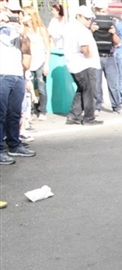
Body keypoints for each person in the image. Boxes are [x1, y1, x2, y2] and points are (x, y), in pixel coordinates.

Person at [0, 3, 36, 164]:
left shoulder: (16, 29)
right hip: (2, 74)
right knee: (0, 114)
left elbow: (27, 51)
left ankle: (14, 144)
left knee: (14, 113)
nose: (12, 14)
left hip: (17, 73)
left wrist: (23, 35)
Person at [63, 5, 102, 125]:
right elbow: (84, 47)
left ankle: (73, 115)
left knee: (82, 90)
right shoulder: (80, 29)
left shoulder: (70, 27)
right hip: (84, 64)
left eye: (90, 19)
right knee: (89, 92)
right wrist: (90, 56)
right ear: (79, 16)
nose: (89, 21)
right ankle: (89, 118)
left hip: (75, 64)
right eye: (87, 18)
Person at [92, 3, 122, 115]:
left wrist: (113, 33)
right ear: (95, 11)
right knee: (96, 84)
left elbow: (118, 42)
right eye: (99, 11)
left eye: (103, 11)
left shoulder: (112, 24)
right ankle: (97, 107)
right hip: (96, 56)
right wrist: (91, 30)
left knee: (113, 84)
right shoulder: (91, 23)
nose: (101, 13)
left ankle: (117, 106)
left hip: (110, 57)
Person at [22, 6, 50, 121]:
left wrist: (46, 63)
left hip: (40, 61)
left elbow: (48, 47)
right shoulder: (23, 30)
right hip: (28, 62)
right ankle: (32, 110)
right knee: (29, 87)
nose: (24, 16)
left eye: (26, 14)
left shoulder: (40, 29)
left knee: (41, 86)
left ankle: (42, 110)